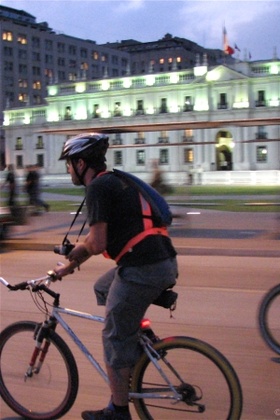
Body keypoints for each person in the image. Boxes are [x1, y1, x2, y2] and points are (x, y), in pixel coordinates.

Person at [53, 133, 178, 420]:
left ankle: (118, 411)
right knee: (103, 288)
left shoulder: (98, 188)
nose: (68, 170)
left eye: (69, 164)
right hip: (163, 261)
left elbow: (96, 244)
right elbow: (97, 237)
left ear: (81, 162)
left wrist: (70, 260)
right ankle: (142, 339)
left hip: (143, 269)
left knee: (113, 336)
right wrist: (68, 267)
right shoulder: (115, 181)